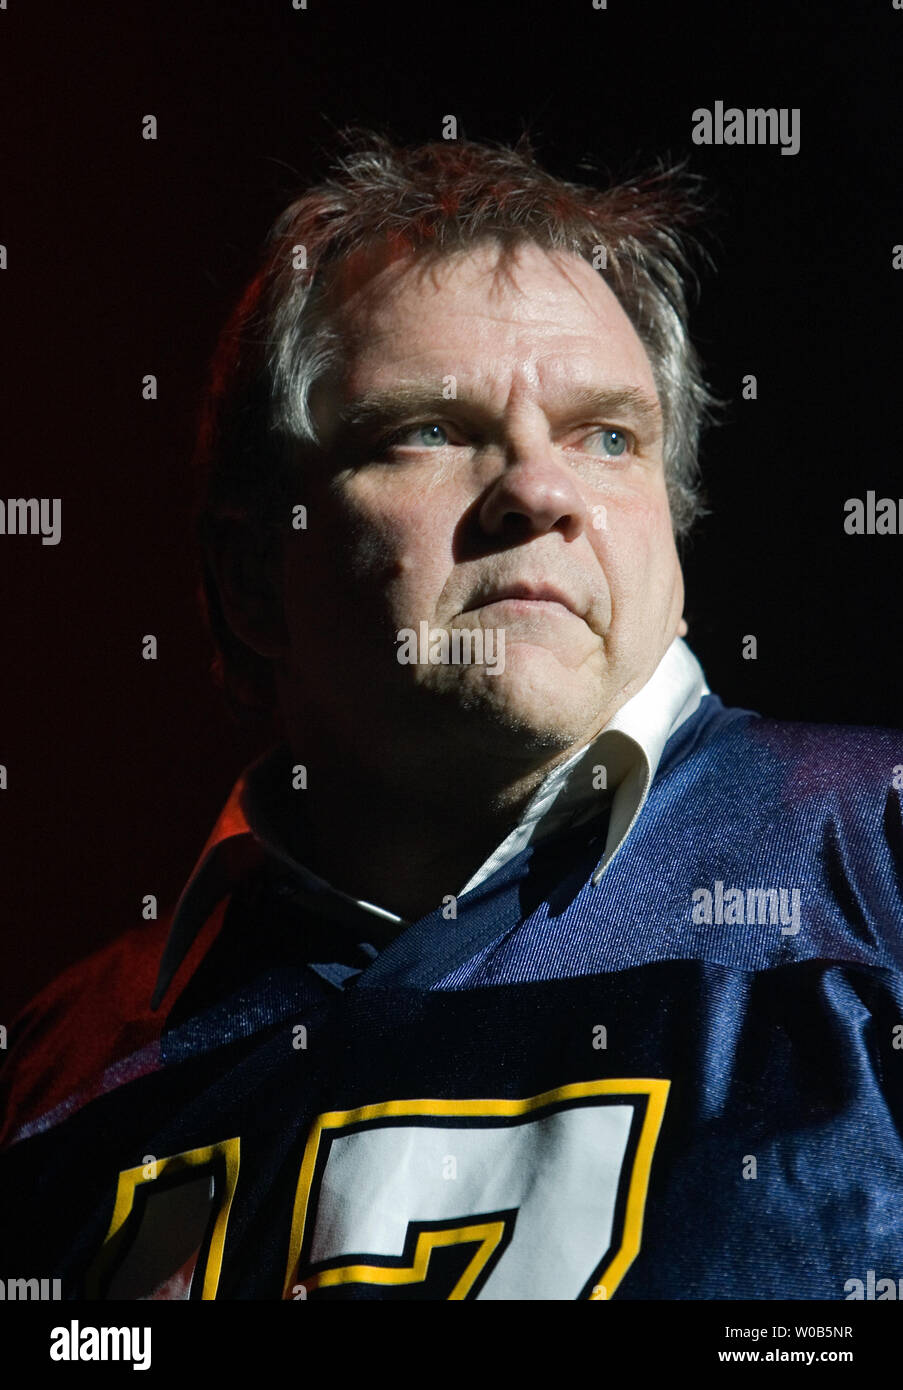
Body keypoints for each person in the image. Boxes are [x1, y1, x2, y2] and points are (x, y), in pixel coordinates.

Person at [2, 133, 901, 1302]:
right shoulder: (54, 1071)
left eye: (609, 436)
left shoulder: (877, 861)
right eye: (429, 430)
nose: (540, 489)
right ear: (252, 576)